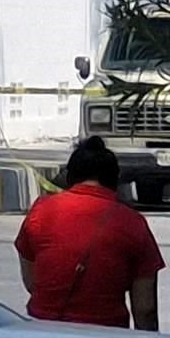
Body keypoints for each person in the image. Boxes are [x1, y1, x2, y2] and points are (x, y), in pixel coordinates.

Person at [15, 136, 163, 331]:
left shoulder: (42, 210)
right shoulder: (133, 222)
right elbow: (145, 308)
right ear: (115, 179)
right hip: (106, 332)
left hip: (43, 329)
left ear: (70, 176)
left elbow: (32, 282)